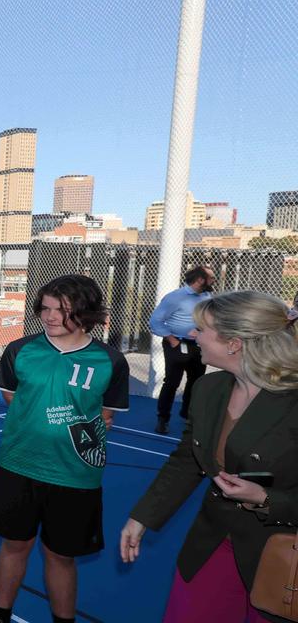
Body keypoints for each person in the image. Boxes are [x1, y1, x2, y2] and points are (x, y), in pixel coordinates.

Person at [121, 291, 298, 623]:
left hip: (283, 553)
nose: (192, 334)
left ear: (234, 343)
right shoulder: (209, 389)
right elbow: (188, 459)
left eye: (202, 328)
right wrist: (142, 517)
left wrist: (265, 498)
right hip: (214, 542)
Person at [0, 275, 130, 623]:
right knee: (14, 545)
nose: (50, 317)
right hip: (17, 467)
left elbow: (106, 414)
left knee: (61, 555)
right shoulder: (20, 350)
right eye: (46, 308)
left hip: (75, 476)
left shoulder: (110, 361)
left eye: (62, 311)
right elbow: (10, 396)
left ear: (86, 313)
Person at [149, 266, 215, 434]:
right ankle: (162, 419)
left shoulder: (208, 296)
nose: (214, 281)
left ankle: (187, 415)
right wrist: (172, 341)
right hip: (177, 343)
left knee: (196, 381)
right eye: (211, 278)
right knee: (172, 382)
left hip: (199, 345)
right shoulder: (175, 297)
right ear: (200, 280)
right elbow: (155, 322)